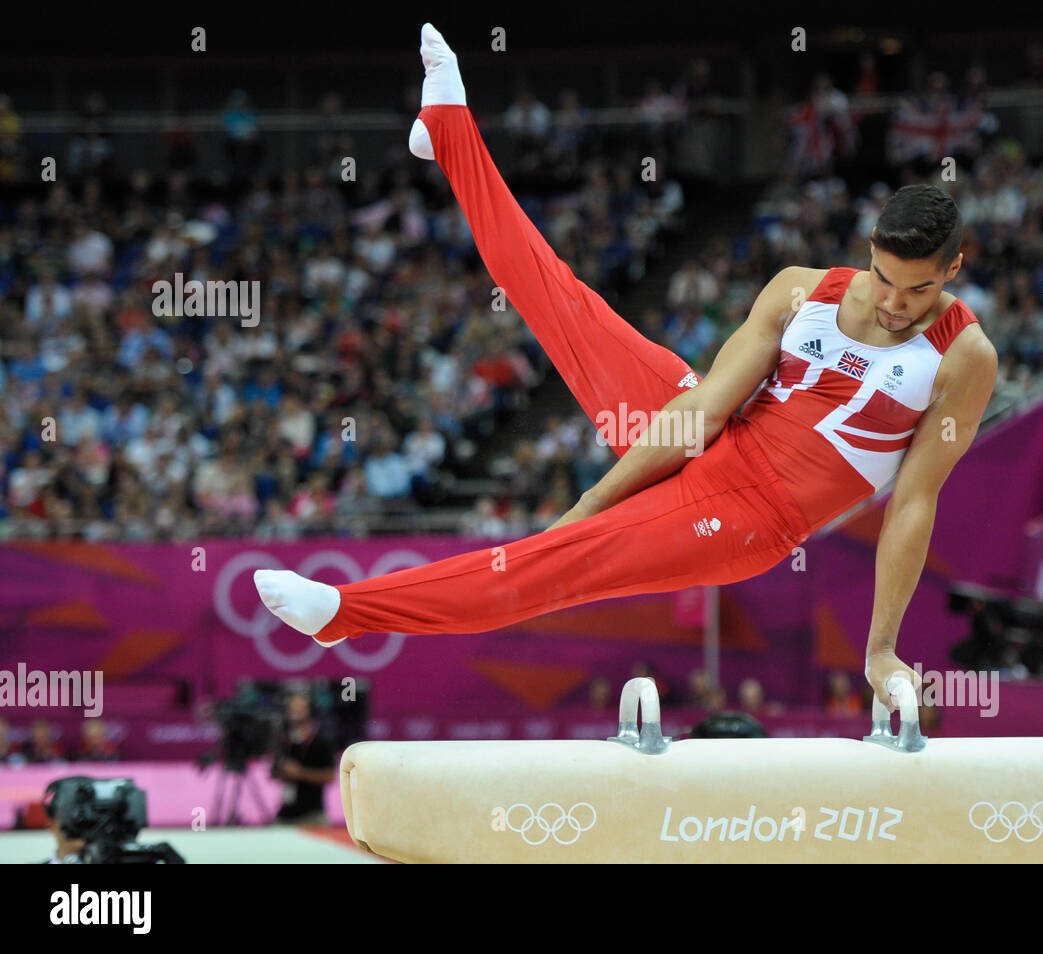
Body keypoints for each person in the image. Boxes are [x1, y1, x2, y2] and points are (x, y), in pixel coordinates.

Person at [254, 24, 998, 711]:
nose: (897, 303)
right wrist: (590, 505)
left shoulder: (964, 356)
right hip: (708, 432)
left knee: (551, 567)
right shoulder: (803, 290)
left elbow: (914, 503)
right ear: (868, 250)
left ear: (953, 269)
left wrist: (880, 652)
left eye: (920, 288)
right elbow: (704, 411)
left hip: (748, 517)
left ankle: (348, 614)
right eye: (884, 277)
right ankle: (450, 133)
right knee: (562, 302)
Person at [270, 693, 336, 826]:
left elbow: (329, 776)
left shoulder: (321, 741)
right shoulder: (283, 741)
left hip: (313, 815)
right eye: (292, 709)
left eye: (301, 709)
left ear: (310, 711)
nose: (296, 712)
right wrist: (282, 772)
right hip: (285, 814)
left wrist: (300, 773)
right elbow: (273, 772)